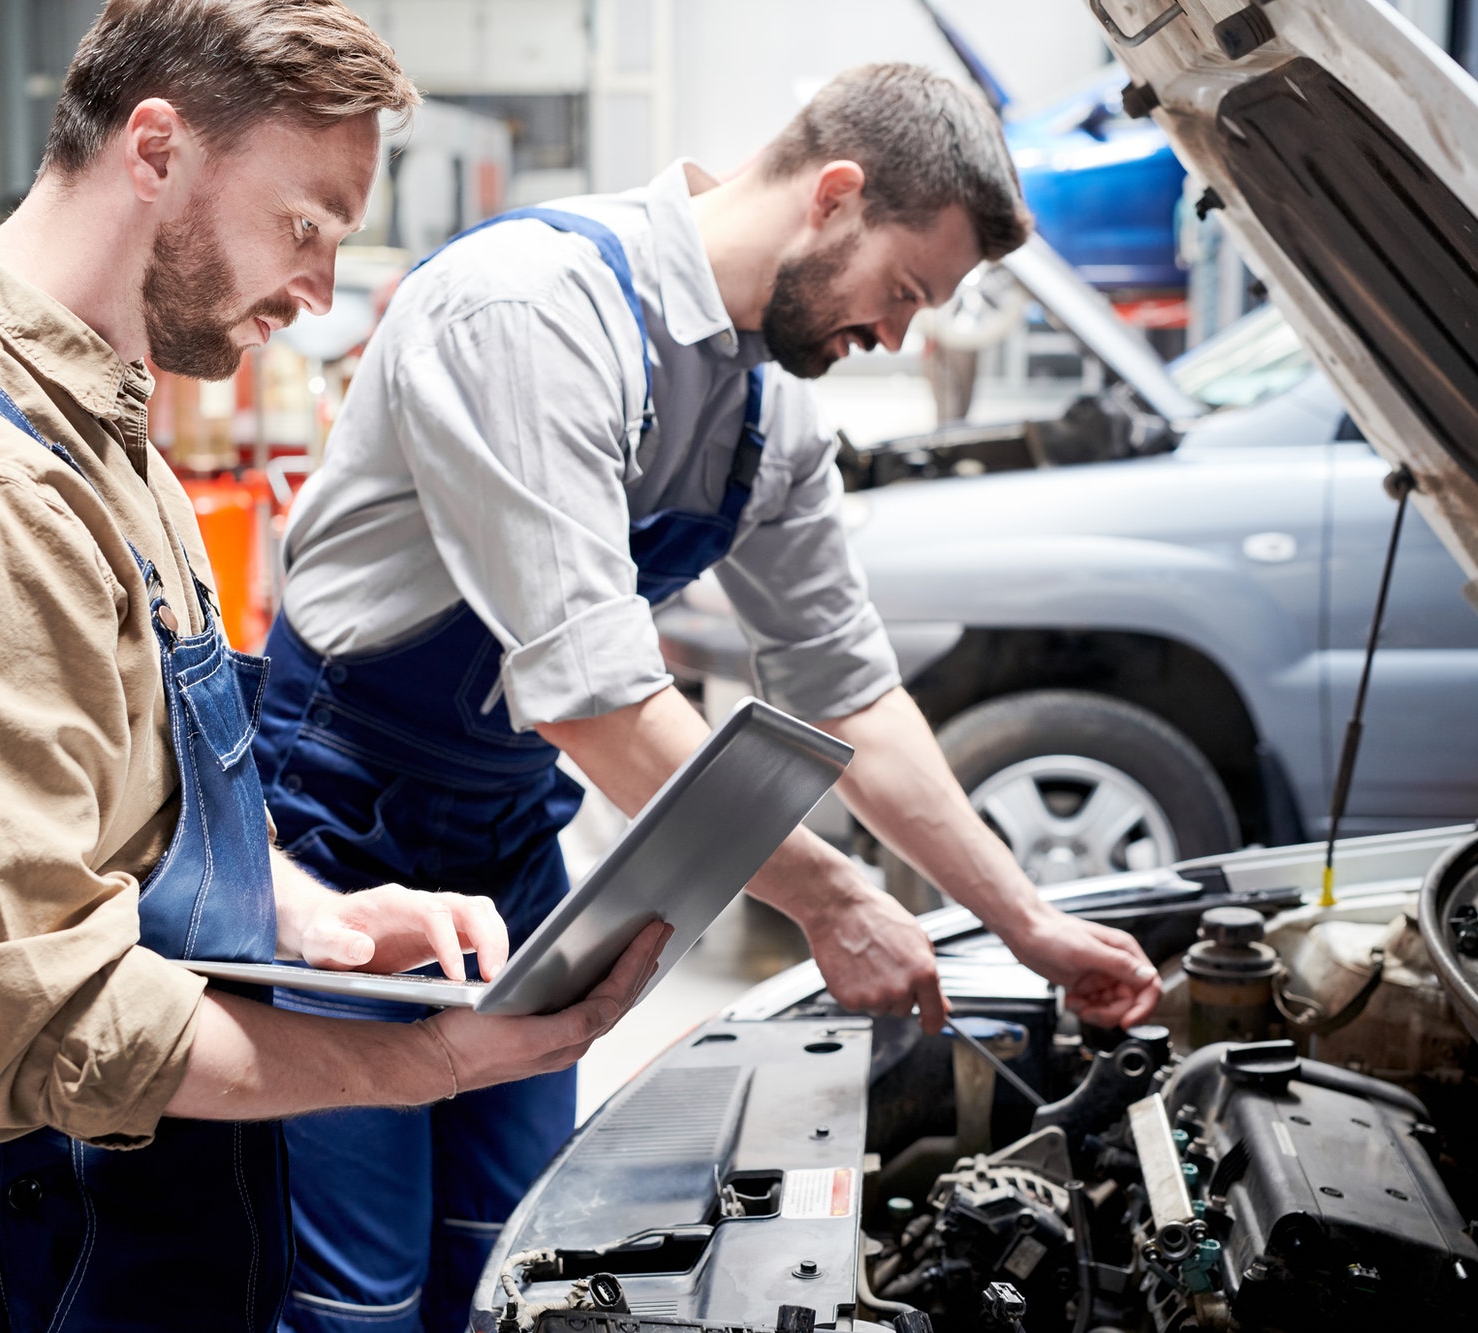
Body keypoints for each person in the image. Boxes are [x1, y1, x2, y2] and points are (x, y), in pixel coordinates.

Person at [0, 3, 664, 1329]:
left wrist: (311, 918)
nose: (321, 289)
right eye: (306, 225)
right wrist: (430, 1063)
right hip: (40, 1210)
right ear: (155, 147)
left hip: (148, 1165)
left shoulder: (99, 431)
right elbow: (38, 1021)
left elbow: (141, 812)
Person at [255, 62, 1165, 1333]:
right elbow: (595, 699)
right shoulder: (529, 310)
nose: (897, 337)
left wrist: (1026, 924)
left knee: (509, 1256)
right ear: (833, 196)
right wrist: (833, 896)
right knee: (353, 1294)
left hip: (510, 853)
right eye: (901, 290)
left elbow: (853, 693)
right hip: (334, 841)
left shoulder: (769, 414)